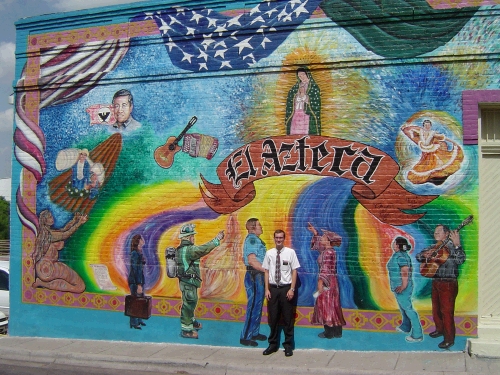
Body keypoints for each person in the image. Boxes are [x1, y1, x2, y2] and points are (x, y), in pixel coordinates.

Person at [416, 224, 465, 349]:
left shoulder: (452, 247)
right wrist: (424, 255)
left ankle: (449, 339)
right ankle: (440, 329)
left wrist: (457, 244)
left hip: (448, 283)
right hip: (436, 281)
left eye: (439, 231)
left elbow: (460, 260)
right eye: (435, 231)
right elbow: (418, 256)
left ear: (447, 233)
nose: (435, 233)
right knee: (436, 309)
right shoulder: (435, 246)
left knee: (446, 312)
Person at [176, 223, 225, 339]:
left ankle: (191, 321)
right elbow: (204, 249)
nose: (194, 238)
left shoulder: (181, 249)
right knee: (189, 303)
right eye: (192, 236)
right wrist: (217, 240)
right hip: (189, 282)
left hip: (187, 281)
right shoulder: (189, 250)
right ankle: (186, 330)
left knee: (191, 302)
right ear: (188, 237)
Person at [262, 230, 300, 357]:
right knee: (273, 318)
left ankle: (288, 346)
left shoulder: (290, 253)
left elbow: (294, 271)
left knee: (288, 319)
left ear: (284, 238)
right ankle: (272, 344)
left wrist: (292, 289)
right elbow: (266, 271)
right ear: (274, 238)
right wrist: (267, 289)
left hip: (286, 289)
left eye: (281, 238)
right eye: (277, 237)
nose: (278, 240)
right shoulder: (269, 253)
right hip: (273, 289)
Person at [32, 210, 87, 293]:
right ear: (45, 221)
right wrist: (80, 222)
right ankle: (42, 283)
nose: (52, 218)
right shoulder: (50, 235)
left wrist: (74, 220)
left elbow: (63, 230)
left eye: (51, 216)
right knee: (80, 287)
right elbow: (66, 234)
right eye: (50, 217)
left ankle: (41, 282)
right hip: (49, 267)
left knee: (77, 285)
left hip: (43, 267)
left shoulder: (46, 233)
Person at [307, 223, 345, 339]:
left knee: (326, 305)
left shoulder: (328, 253)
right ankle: (337, 331)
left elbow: (325, 269)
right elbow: (318, 246)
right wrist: (315, 233)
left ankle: (329, 332)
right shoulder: (329, 251)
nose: (321, 239)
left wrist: (321, 282)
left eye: (323, 237)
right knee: (333, 305)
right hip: (332, 281)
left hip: (327, 282)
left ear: (328, 241)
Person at [401, 119, 463, 185]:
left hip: (434, 152)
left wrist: (452, 141)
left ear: (430, 126)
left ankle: (440, 178)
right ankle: (434, 178)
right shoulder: (421, 132)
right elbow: (412, 133)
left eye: (428, 125)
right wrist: (405, 128)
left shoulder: (432, 133)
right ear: (423, 126)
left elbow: (441, 137)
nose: (427, 126)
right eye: (425, 125)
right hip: (426, 154)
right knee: (426, 166)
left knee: (438, 164)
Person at [387, 236, 423, 343]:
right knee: (403, 308)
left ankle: (417, 334)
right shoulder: (398, 255)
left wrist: (403, 285)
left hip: (402, 287)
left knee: (408, 309)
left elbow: (405, 271)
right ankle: (406, 327)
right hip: (398, 287)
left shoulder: (401, 257)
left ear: (397, 245)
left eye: (394, 242)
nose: (392, 244)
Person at [240, 218, 267, 347]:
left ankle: (254, 332)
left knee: (258, 305)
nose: (261, 227)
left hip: (259, 276)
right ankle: (246, 337)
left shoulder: (256, 240)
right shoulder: (251, 240)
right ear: (252, 227)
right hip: (254, 275)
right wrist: (266, 270)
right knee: (253, 306)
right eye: (259, 225)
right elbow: (252, 260)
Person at [285, 67, 321, 135]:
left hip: (306, 115)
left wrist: (304, 97)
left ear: (307, 74)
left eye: (303, 74)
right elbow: (291, 98)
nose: (302, 77)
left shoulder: (313, 87)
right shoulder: (295, 87)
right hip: (296, 114)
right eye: (299, 76)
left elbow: (315, 101)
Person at [128, 234, 147, 330]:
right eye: (141, 239)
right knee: (135, 301)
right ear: (138, 241)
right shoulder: (135, 254)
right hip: (135, 281)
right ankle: (134, 322)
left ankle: (139, 319)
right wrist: (138, 284)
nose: (143, 240)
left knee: (139, 301)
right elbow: (135, 269)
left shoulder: (139, 252)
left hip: (139, 280)